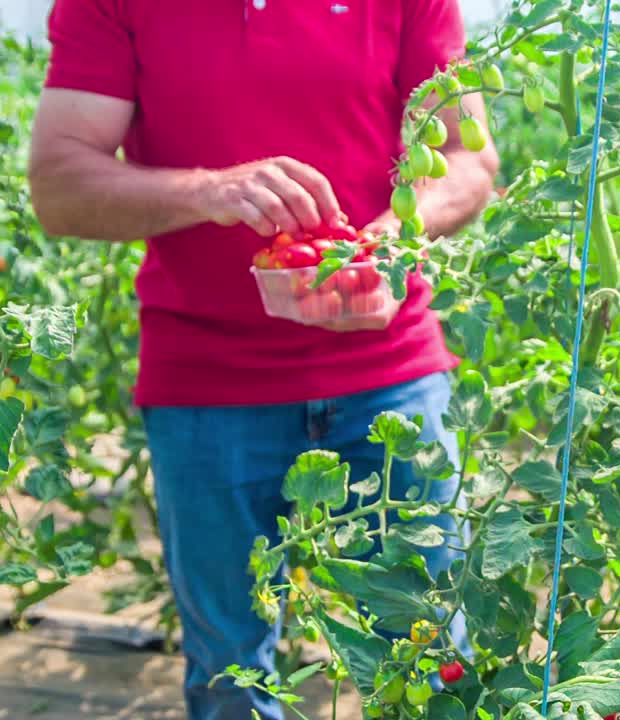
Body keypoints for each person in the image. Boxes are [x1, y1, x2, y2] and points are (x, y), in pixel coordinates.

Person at [27, 2, 498, 719]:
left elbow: (468, 155)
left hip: (390, 370)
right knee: (231, 676)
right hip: (206, 381)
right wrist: (210, 190)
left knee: (430, 656)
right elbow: (61, 187)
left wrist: (394, 237)